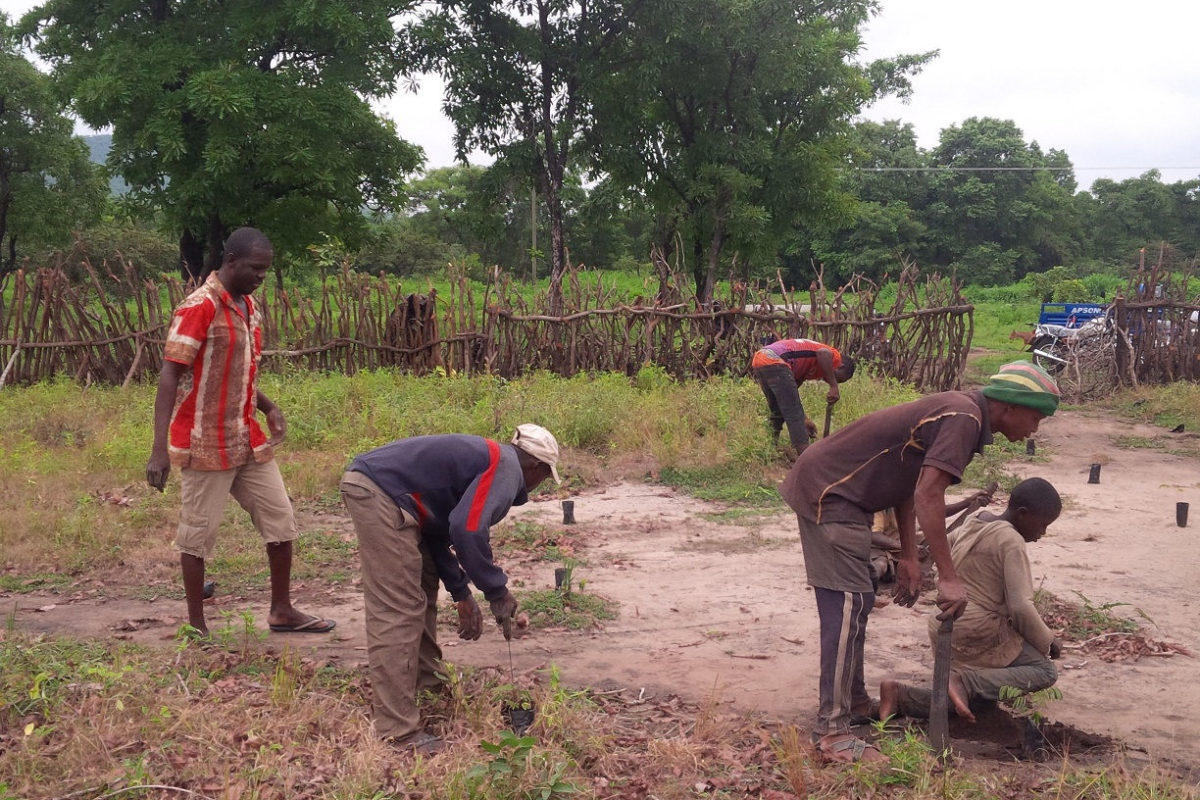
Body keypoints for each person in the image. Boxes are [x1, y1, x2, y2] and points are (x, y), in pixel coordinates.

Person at [778, 360, 1060, 764]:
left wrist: (910, 555)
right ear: (1010, 408)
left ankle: (856, 704)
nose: (1035, 429)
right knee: (846, 609)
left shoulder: (962, 413)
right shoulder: (963, 418)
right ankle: (832, 730)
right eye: (1036, 418)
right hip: (830, 493)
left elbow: (911, 486)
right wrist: (948, 577)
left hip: (845, 498)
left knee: (856, 605)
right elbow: (930, 496)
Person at [146, 227, 334, 638]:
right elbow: (169, 374)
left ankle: (281, 610)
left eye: (266, 271)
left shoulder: (247, 306)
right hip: (204, 441)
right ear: (231, 261)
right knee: (197, 536)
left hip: (245, 438)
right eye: (256, 269)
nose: (261, 278)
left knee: (281, 522)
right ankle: (197, 626)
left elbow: (240, 369)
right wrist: (158, 450)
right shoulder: (199, 307)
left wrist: (268, 407)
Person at [339, 424, 562, 755]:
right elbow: (467, 529)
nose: (536, 487)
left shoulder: (491, 459)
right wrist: (497, 592)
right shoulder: (507, 468)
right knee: (398, 610)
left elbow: (439, 528)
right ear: (537, 466)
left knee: (421, 591)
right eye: (544, 478)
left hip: (390, 492)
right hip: (379, 491)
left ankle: (427, 687)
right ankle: (396, 731)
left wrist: (461, 593)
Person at [877, 477, 1063, 723]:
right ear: (1022, 513)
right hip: (978, 630)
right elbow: (1020, 606)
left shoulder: (975, 521)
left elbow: (941, 554)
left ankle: (900, 696)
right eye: (1043, 525)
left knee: (977, 704)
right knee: (1044, 671)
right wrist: (1048, 640)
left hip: (944, 621)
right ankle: (964, 680)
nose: (1042, 533)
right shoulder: (1011, 541)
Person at [751, 338, 855, 454]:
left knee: (778, 410)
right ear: (841, 366)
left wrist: (804, 419)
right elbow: (822, 353)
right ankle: (805, 455)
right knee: (793, 414)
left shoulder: (808, 367)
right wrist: (834, 386)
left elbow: (790, 398)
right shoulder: (834, 357)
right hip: (775, 360)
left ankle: (770, 448)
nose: (831, 380)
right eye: (838, 379)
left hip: (761, 359)